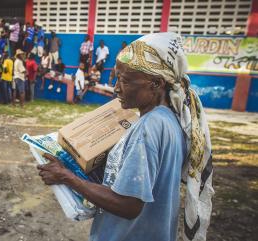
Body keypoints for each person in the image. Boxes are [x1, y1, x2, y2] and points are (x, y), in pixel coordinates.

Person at [37, 32, 214, 241]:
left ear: (156, 84)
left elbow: (128, 205)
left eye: (126, 81)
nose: (116, 87)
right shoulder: (170, 120)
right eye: (117, 77)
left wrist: (67, 177)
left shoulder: (148, 128)